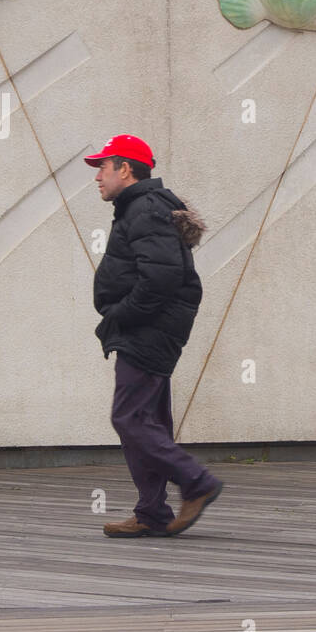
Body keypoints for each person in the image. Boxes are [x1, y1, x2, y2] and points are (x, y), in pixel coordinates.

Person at [87, 134, 224, 538]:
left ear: (125, 168)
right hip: (148, 327)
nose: (97, 177)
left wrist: (118, 316)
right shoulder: (140, 208)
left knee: (128, 417)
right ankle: (151, 512)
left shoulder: (145, 208)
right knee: (148, 420)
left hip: (148, 328)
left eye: (103, 167)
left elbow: (161, 278)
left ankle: (196, 482)